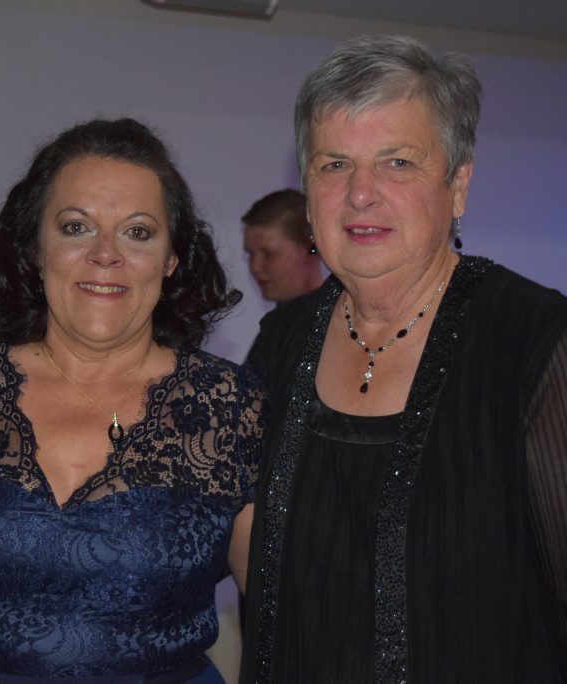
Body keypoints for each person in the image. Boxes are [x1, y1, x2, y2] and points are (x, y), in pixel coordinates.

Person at [240, 34, 567, 682]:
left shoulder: (537, 343)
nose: (360, 194)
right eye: (334, 165)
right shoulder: (278, 343)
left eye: (397, 163)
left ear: (459, 185)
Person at [0, 118, 266, 682]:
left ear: (171, 258)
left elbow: (284, 614)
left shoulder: (231, 405)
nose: (105, 254)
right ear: (35, 247)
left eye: (138, 232)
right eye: (76, 227)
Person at [241, 189, 324, 304]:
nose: (255, 267)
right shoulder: (274, 321)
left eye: (268, 254)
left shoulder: (342, 319)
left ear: (311, 249)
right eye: (251, 253)